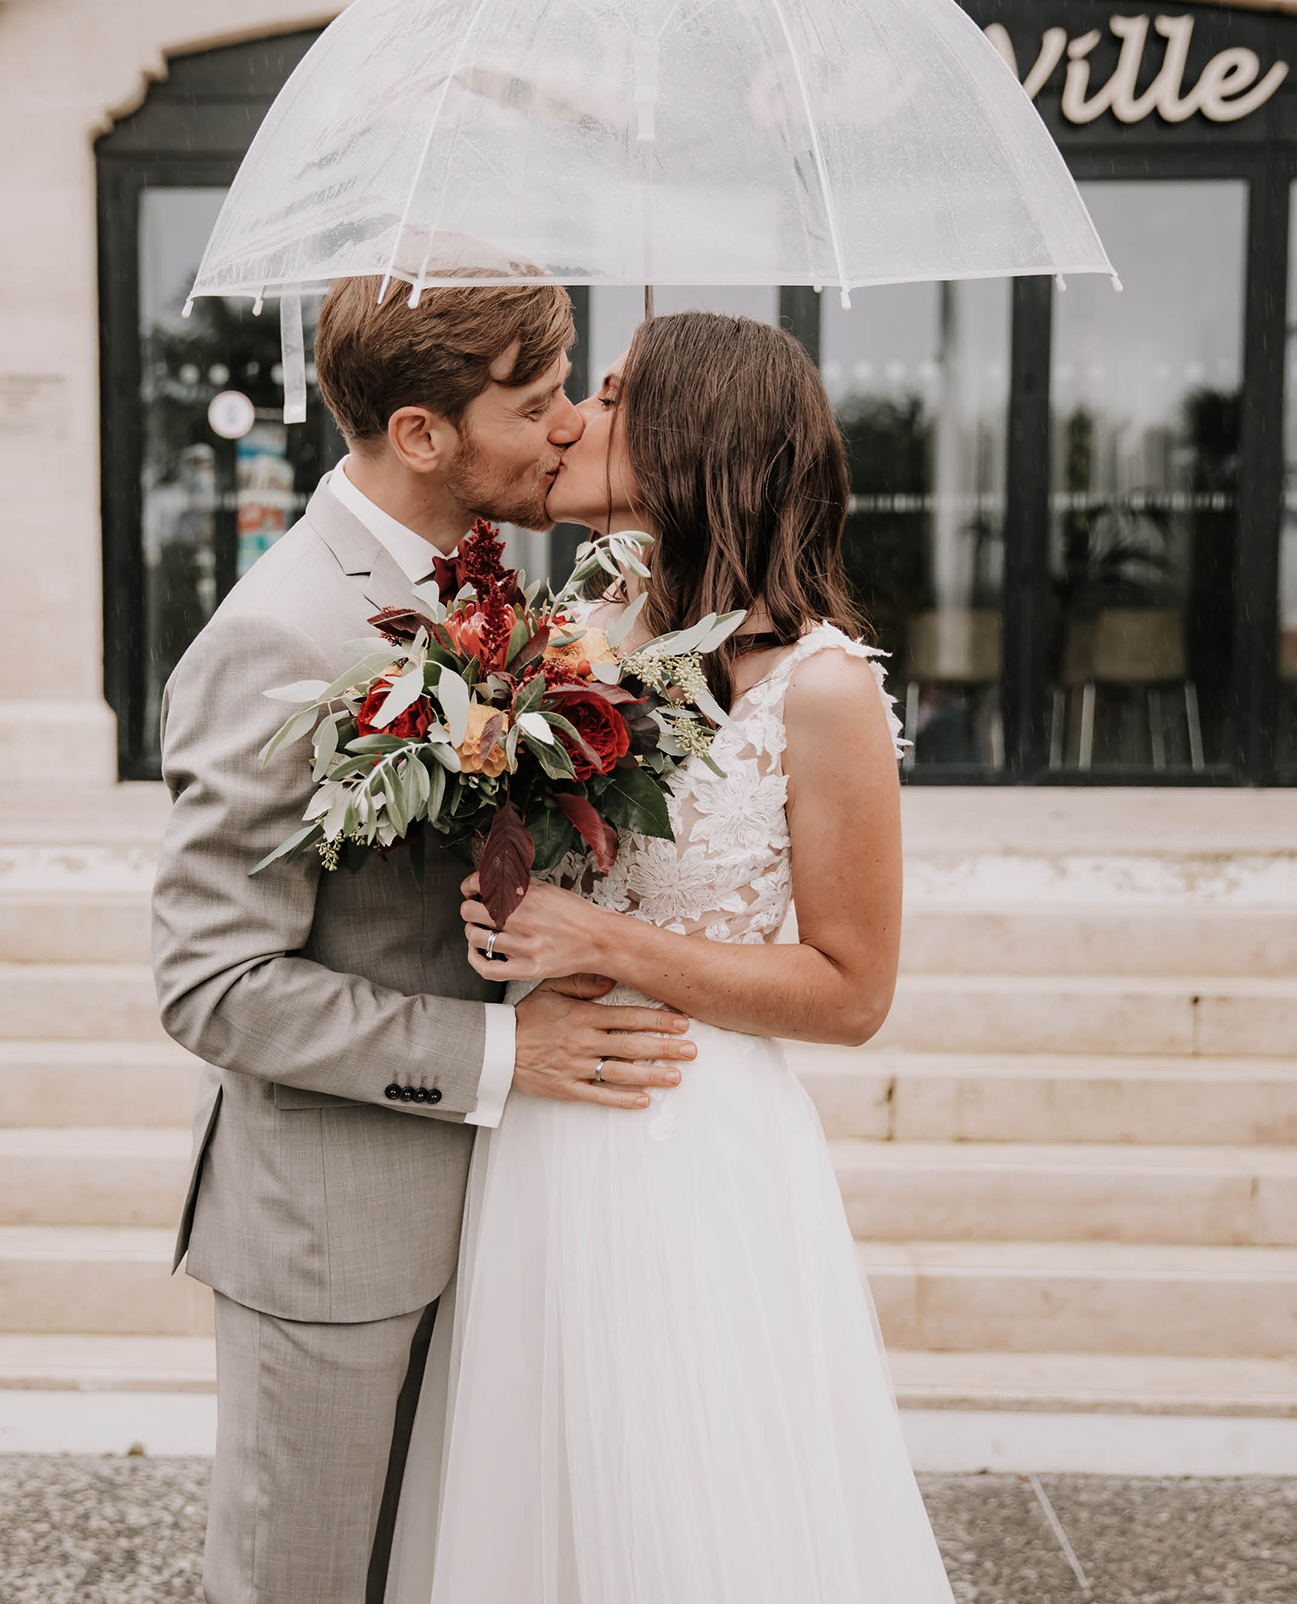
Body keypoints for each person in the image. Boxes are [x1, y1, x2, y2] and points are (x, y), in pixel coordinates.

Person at [385, 311, 956, 1604]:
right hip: (537, 1134)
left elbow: (853, 991)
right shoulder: (570, 639)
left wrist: (604, 936)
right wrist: (504, 897)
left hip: (690, 1144)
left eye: (617, 392)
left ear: (698, 435)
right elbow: (545, 872)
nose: (576, 414)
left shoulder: (820, 689)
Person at [151, 276, 698, 1604]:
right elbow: (215, 985)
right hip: (339, 1239)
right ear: (421, 435)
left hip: (513, 1217)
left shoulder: (504, 594)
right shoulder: (280, 632)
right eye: (536, 400)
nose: (571, 426)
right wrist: (500, 1056)